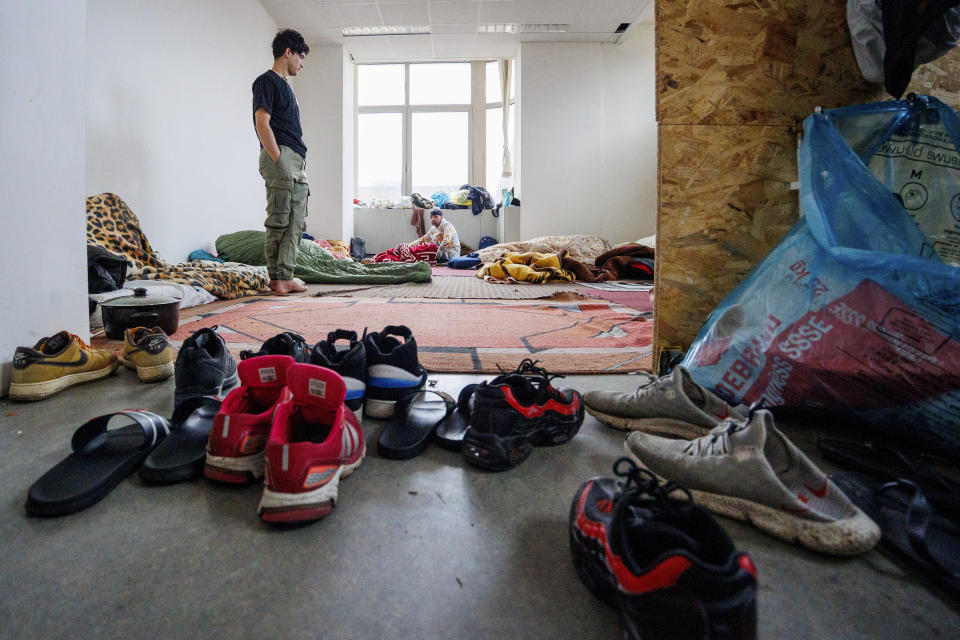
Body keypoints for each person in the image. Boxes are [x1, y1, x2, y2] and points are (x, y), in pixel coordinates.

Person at [252, 29, 310, 295]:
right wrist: (278, 158)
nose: (302, 62)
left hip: (296, 159)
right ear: (288, 52)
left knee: (297, 220)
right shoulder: (267, 81)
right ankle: (276, 278)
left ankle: (286, 276)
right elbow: (262, 123)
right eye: (300, 56)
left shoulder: (287, 87)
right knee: (279, 218)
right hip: (282, 157)